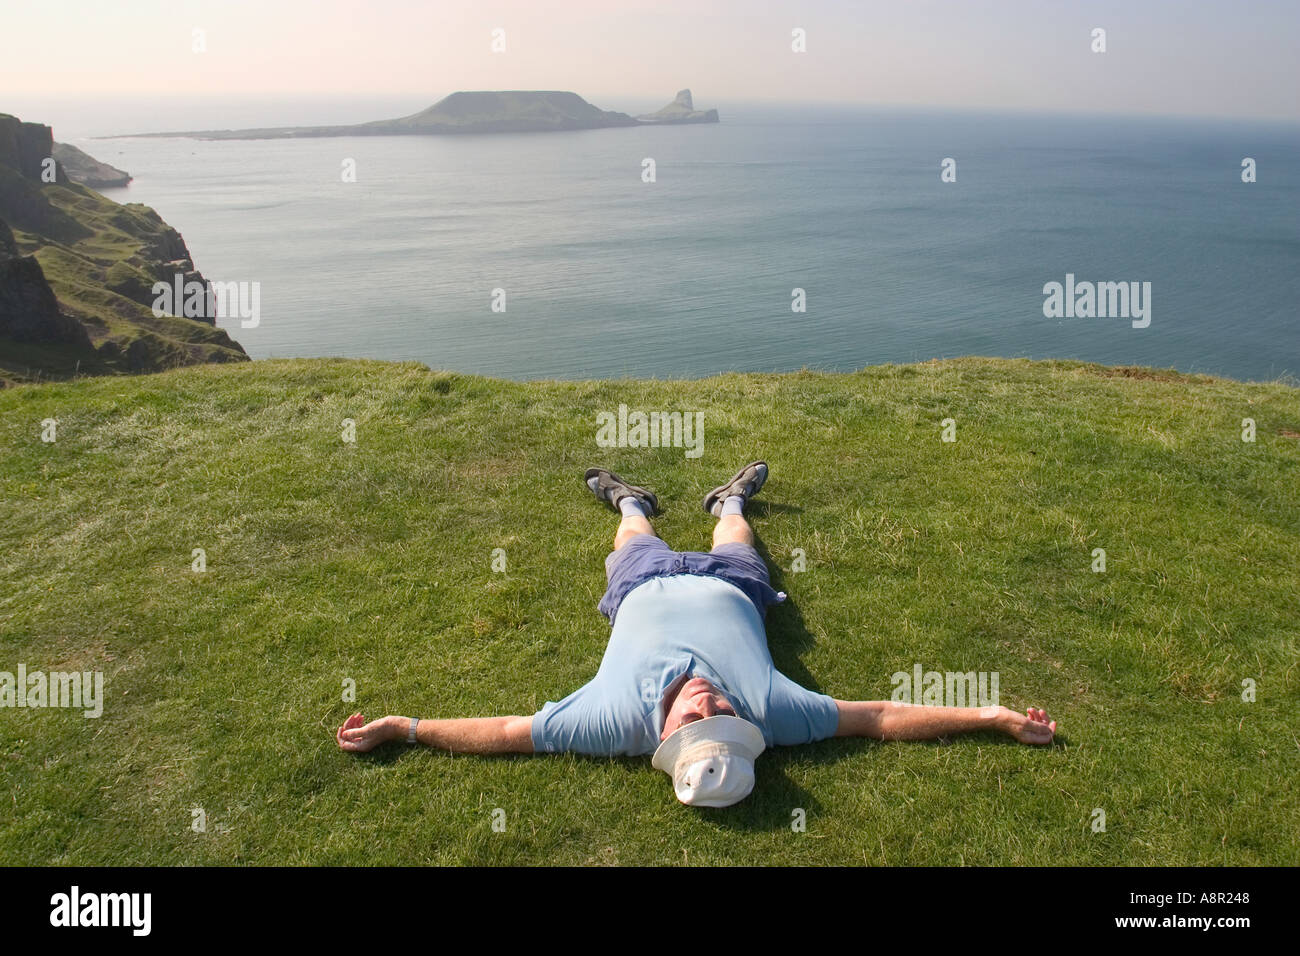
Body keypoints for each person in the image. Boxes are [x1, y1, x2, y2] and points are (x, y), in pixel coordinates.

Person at [337, 461, 1057, 808]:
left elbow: (505, 732)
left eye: (696, 718)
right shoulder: (773, 717)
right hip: (734, 583)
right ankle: (730, 496)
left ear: (664, 739)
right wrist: (987, 716)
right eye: (723, 717)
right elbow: (880, 717)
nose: (711, 704)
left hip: (641, 586)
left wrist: (408, 726)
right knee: (738, 531)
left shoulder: (609, 724)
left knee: (629, 538)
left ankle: (630, 497)